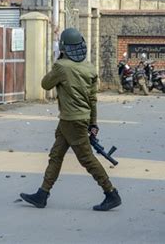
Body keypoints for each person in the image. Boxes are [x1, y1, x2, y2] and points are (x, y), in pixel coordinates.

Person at [20, 28, 121, 211]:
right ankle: (42, 194)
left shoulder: (62, 67)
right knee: (56, 155)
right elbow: (92, 99)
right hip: (77, 119)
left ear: (63, 47)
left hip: (71, 120)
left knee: (87, 159)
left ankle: (111, 193)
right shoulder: (90, 68)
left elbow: (45, 84)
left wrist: (58, 61)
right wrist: (93, 123)